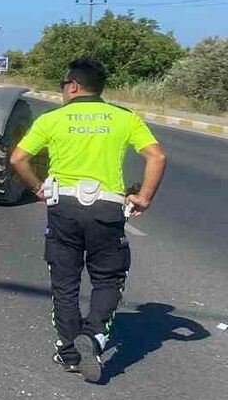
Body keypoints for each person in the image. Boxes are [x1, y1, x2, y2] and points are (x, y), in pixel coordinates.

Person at [10, 57, 167, 382]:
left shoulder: (52, 119)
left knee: (64, 283)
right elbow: (157, 156)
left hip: (64, 208)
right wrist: (144, 198)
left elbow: (18, 158)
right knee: (108, 278)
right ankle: (94, 336)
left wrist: (38, 188)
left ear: (73, 86)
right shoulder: (124, 118)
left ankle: (69, 353)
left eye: (64, 86)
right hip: (107, 210)